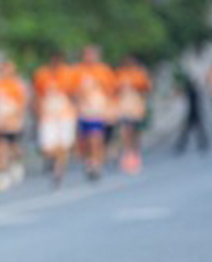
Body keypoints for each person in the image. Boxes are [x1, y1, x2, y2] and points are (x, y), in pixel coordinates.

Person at [0, 59, 28, 192]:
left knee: (13, 146)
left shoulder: (16, 85)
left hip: (12, 121)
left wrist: (15, 119)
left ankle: (16, 162)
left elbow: (21, 105)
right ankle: (1, 174)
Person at [71, 46, 116, 180]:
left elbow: (111, 90)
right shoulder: (78, 71)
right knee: (84, 140)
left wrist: (110, 109)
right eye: (87, 55)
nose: (90, 58)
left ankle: (96, 164)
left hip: (98, 110)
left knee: (96, 137)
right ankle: (89, 160)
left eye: (92, 55)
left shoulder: (104, 71)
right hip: (83, 110)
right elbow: (71, 90)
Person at [33, 54, 77, 186]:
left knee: (63, 145)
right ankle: (52, 160)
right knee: (47, 147)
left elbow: (76, 94)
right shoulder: (42, 74)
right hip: (49, 115)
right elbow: (37, 95)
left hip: (65, 115)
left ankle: (58, 170)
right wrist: (38, 111)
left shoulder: (70, 74)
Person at [114, 56, 152, 174]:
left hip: (136, 107)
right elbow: (113, 89)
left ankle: (135, 153)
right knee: (125, 131)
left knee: (136, 132)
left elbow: (147, 88)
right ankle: (127, 153)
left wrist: (138, 86)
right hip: (124, 107)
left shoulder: (140, 74)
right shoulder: (120, 74)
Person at [174, 70, 209, 154]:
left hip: (192, 113)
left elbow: (181, 93)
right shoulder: (194, 90)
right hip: (195, 112)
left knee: (188, 131)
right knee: (196, 131)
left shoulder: (190, 91)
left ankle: (181, 146)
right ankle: (201, 144)